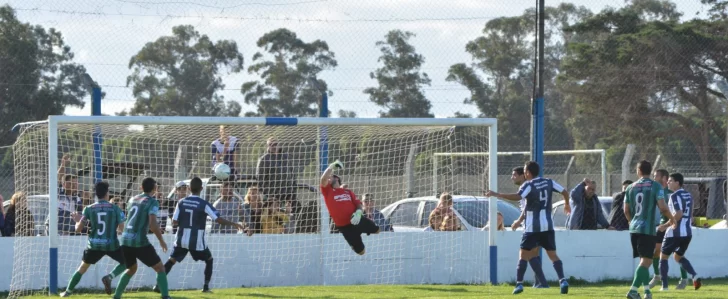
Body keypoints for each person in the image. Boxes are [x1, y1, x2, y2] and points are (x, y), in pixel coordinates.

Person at [486, 161, 571, 295]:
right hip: (548, 226)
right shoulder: (549, 182)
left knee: (523, 255)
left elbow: (518, 196)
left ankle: (519, 284)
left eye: (525, 171)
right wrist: (567, 204)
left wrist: (497, 194)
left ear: (528, 173)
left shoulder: (528, 185)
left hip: (532, 227)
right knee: (553, 255)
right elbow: (565, 192)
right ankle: (563, 280)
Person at [154, 177, 245, 293]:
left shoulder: (181, 202)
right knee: (209, 259)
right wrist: (234, 224)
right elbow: (218, 219)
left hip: (181, 239)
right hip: (196, 241)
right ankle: (206, 287)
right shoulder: (203, 204)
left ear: (189, 188)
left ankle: (158, 284)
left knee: (172, 260)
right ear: (201, 189)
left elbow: (174, 222)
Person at [61, 181, 127, 297]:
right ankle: (109, 277)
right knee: (127, 262)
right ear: (107, 193)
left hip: (94, 244)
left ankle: (67, 292)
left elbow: (78, 229)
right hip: (111, 244)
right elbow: (122, 229)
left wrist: (77, 221)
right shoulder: (116, 209)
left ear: (96, 194)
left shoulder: (89, 209)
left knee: (82, 268)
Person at [623, 160, 674, 299]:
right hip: (647, 229)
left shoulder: (630, 187)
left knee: (644, 262)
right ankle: (633, 291)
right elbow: (663, 207)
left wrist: (630, 222)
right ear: (650, 171)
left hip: (634, 228)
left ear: (638, 171)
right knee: (646, 262)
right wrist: (672, 219)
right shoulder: (655, 186)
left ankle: (647, 292)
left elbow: (626, 210)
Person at [114, 177, 171, 299]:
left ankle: (116, 296)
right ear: (155, 188)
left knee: (131, 269)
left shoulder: (132, 199)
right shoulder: (152, 201)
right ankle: (165, 296)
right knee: (160, 268)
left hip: (125, 240)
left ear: (141, 187)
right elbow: (153, 224)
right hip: (139, 241)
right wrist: (161, 241)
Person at [320, 160, 379, 255]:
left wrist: (358, 213)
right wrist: (332, 166)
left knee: (377, 230)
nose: (328, 178)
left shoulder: (348, 192)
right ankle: (356, 237)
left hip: (356, 219)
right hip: (344, 227)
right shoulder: (328, 192)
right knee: (361, 251)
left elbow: (358, 204)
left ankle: (363, 228)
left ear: (336, 179)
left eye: (330, 176)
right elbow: (323, 179)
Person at [658, 173, 701, 291]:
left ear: (677, 183)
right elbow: (690, 216)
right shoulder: (689, 195)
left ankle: (664, 286)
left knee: (663, 257)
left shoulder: (674, 196)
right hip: (687, 233)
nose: (668, 182)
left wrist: (665, 226)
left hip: (675, 233)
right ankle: (694, 275)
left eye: (670, 181)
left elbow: (679, 213)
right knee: (677, 256)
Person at [649, 169, 688, 288]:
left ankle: (684, 279)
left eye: (656, 176)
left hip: (674, 225)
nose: (654, 178)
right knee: (656, 251)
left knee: (677, 253)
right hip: (662, 224)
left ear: (664, 178)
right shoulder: (656, 190)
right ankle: (657, 275)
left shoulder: (673, 191)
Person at [256, 137, 298, 213]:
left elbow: (293, 174)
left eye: (275, 144)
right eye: (271, 145)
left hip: (288, 193)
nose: (274, 146)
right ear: (267, 146)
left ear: (279, 145)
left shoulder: (286, 157)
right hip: (273, 195)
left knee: (290, 216)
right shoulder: (264, 159)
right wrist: (267, 194)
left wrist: (293, 190)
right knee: (274, 218)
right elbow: (260, 178)